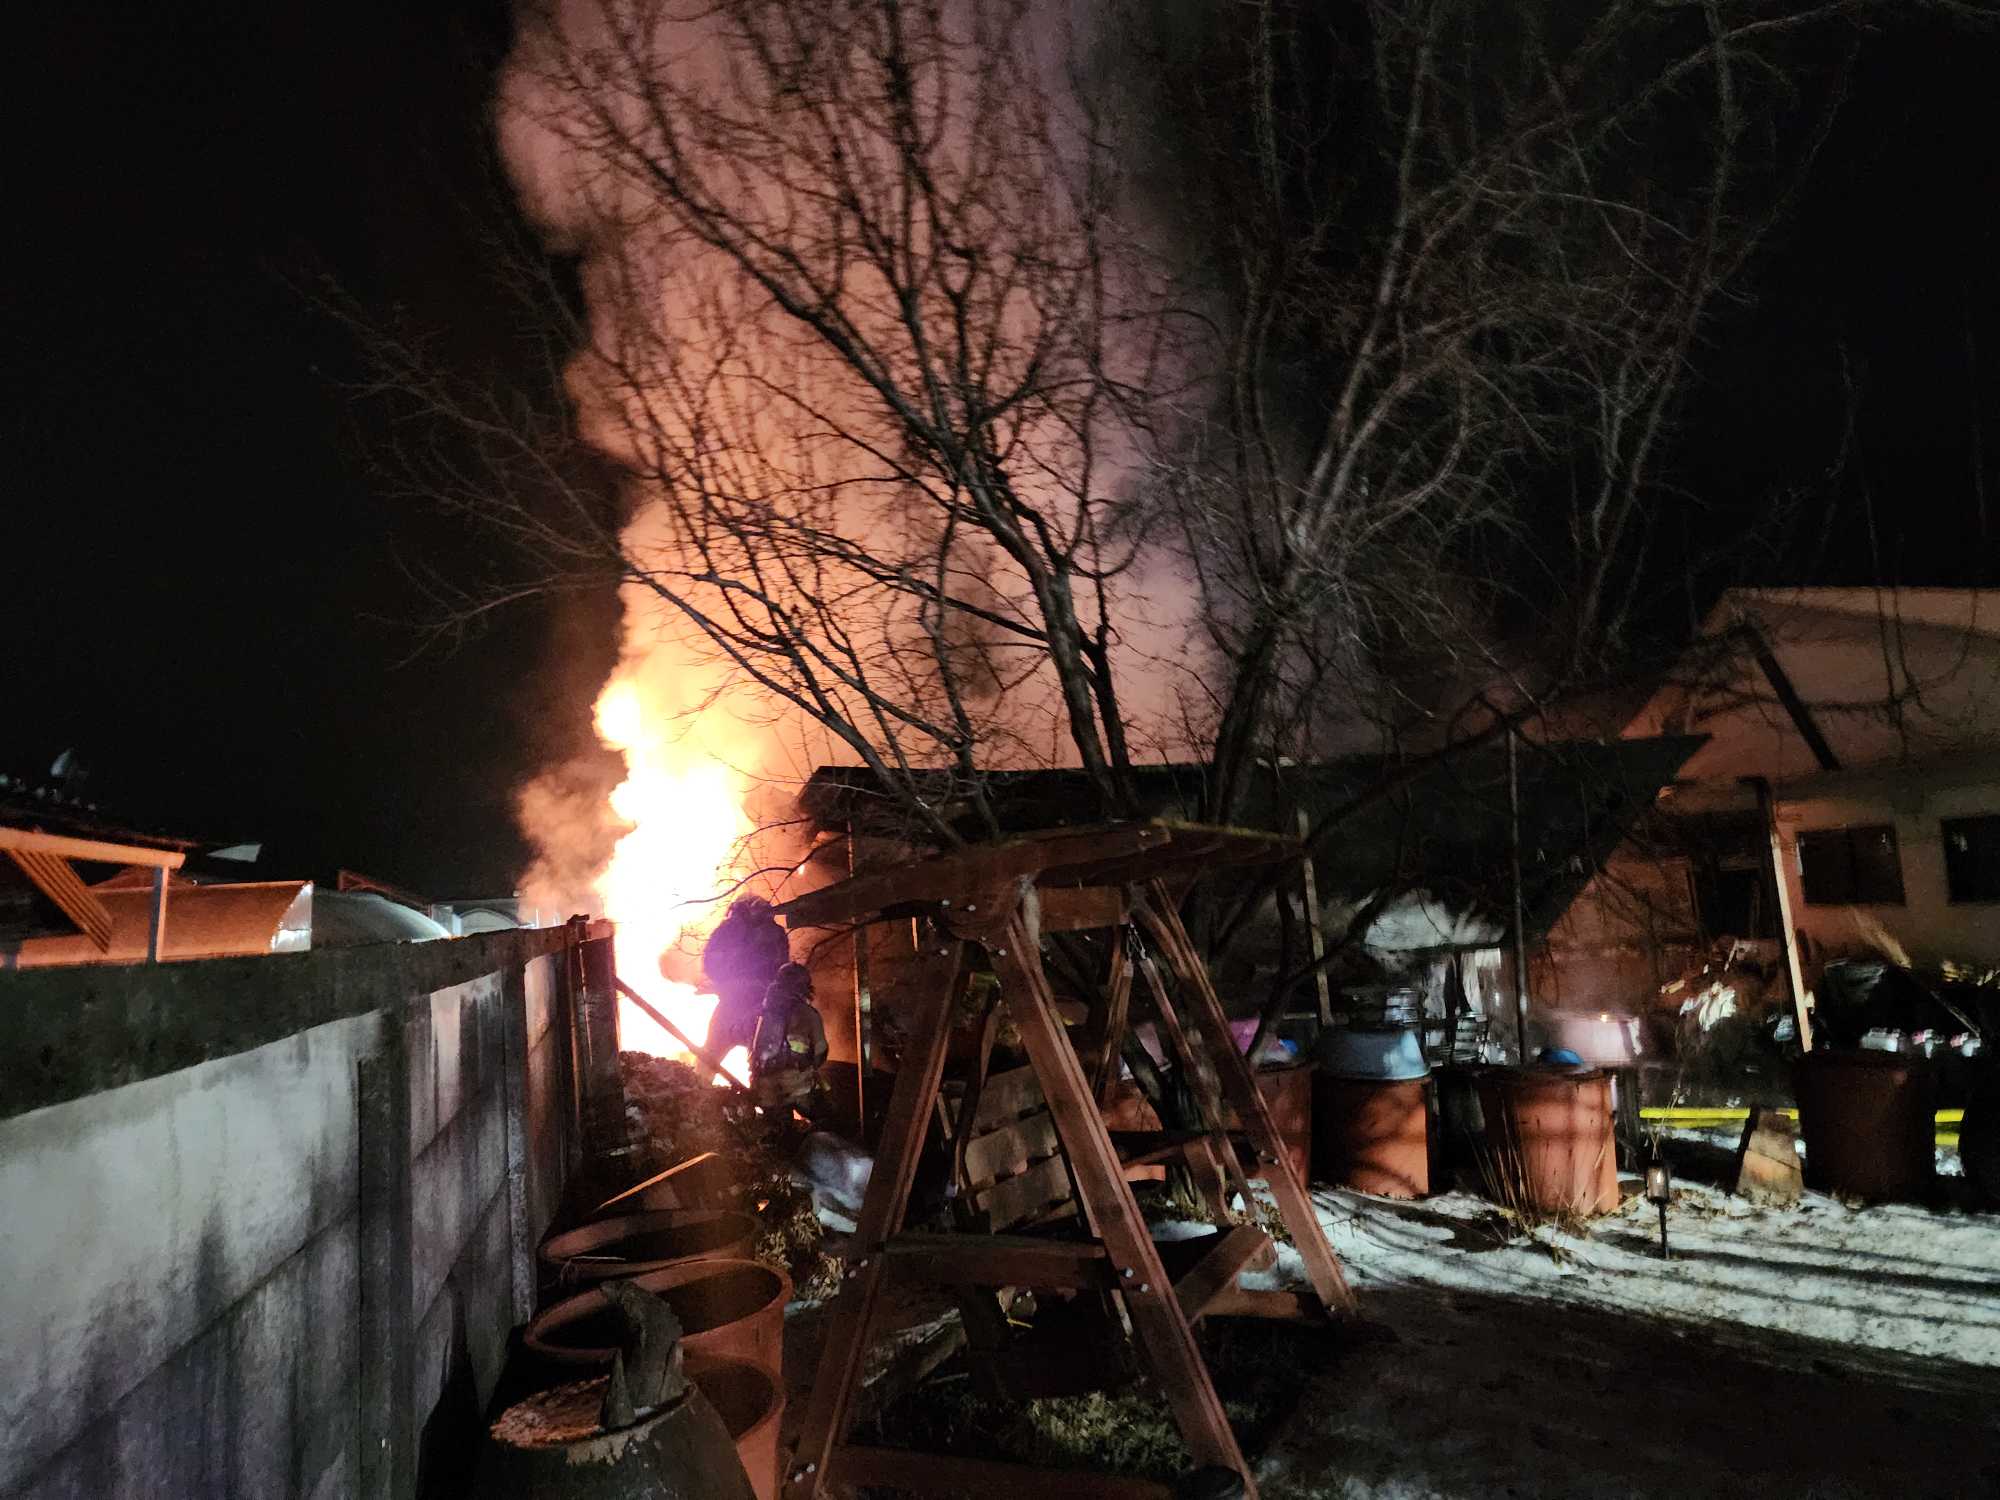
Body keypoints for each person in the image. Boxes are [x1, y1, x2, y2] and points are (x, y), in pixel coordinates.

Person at [702, 896, 791, 1058]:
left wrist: (722, 984)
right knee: (764, 1057)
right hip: (763, 1002)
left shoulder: (729, 928)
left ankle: (701, 1073)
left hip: (733, 1000)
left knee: (710, 1054)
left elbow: (710, 963)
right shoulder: (776, 933)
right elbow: (783, 971)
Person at [749, 962, 829, 1121]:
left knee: (777, 1127)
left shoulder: (763, 1013)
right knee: (827, 1118)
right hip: (796, 1087)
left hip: (763, 1088)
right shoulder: (808, 1014)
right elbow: (821, 1052)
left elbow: (753, 1048)